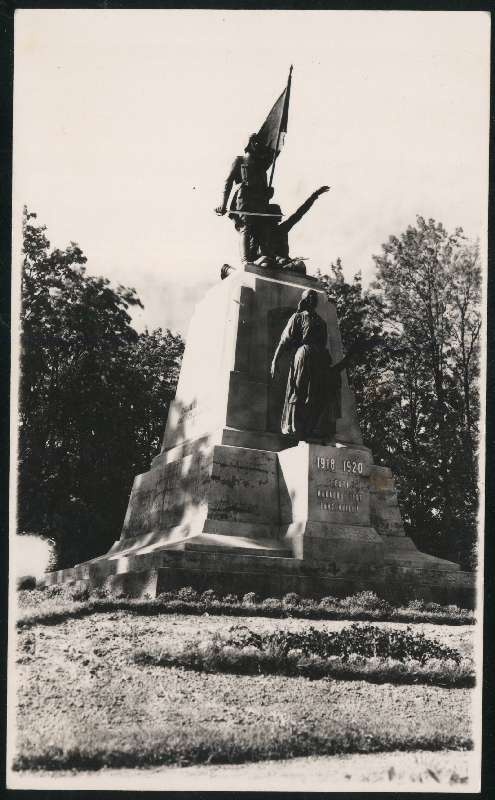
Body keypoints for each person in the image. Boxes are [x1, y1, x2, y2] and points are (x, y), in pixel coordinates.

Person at [270, 288, 351, 441]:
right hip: (304, 356)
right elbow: (284, 340)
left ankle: (311, 428)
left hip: (320, 359)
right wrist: (275, 361)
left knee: (319, 394)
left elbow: (325, 344)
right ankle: (297, 428)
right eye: (311, 297)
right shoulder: (298, 317)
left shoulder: (321, 321)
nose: (314, 299)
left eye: (315, 297)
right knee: (300, 393)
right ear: (305, 299)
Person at [215, 133, 274, 263]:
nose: (259, 145)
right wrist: (223, 204)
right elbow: (228, 182)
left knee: (260, 231)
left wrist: (269, 192)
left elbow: (264, 189)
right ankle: (245, 260)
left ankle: (261, 258)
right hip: (244, 201)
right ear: (250, 143)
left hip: (259, 204)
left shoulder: (261, 168)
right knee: (245, 228)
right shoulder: (239, 161)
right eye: (256, 142)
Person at [256, 186, 330, 273]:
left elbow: (299, 213)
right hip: (269, 261)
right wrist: (278, 258)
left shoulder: (283, 228)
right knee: (266, 264)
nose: (280, 218)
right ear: (271, 217)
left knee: (300, 266)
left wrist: (314, 196)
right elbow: (263, 252)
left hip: (283, 263)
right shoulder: (263, 231)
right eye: (277, 216)